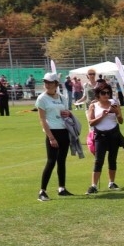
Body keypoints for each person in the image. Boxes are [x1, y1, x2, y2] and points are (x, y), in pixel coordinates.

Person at [36, 72, 76, 201]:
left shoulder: (62, 98)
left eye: (50, 82)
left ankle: (62, 188)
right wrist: (51, 137)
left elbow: (67, 112)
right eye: (45, 82)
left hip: (64, 131)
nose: (47, 84)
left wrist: (67, 113)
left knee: (62, 161)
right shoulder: (42, 98)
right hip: (52, 131)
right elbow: (42, 119)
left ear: (56, 84)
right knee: (51, 161)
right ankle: (42, 192)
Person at [84, 80, 124, 194]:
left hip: (114, 134)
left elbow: (121, 121)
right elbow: (91, 122)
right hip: (100, 136)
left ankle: (111, 183)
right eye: (103, 93)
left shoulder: (114, 103)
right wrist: (103, 116)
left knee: (112, 159)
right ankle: (93, 186)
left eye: (108, 93)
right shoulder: (93, 105)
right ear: (98, 94)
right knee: (99, 160)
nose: (106, 95)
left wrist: (117, 113)